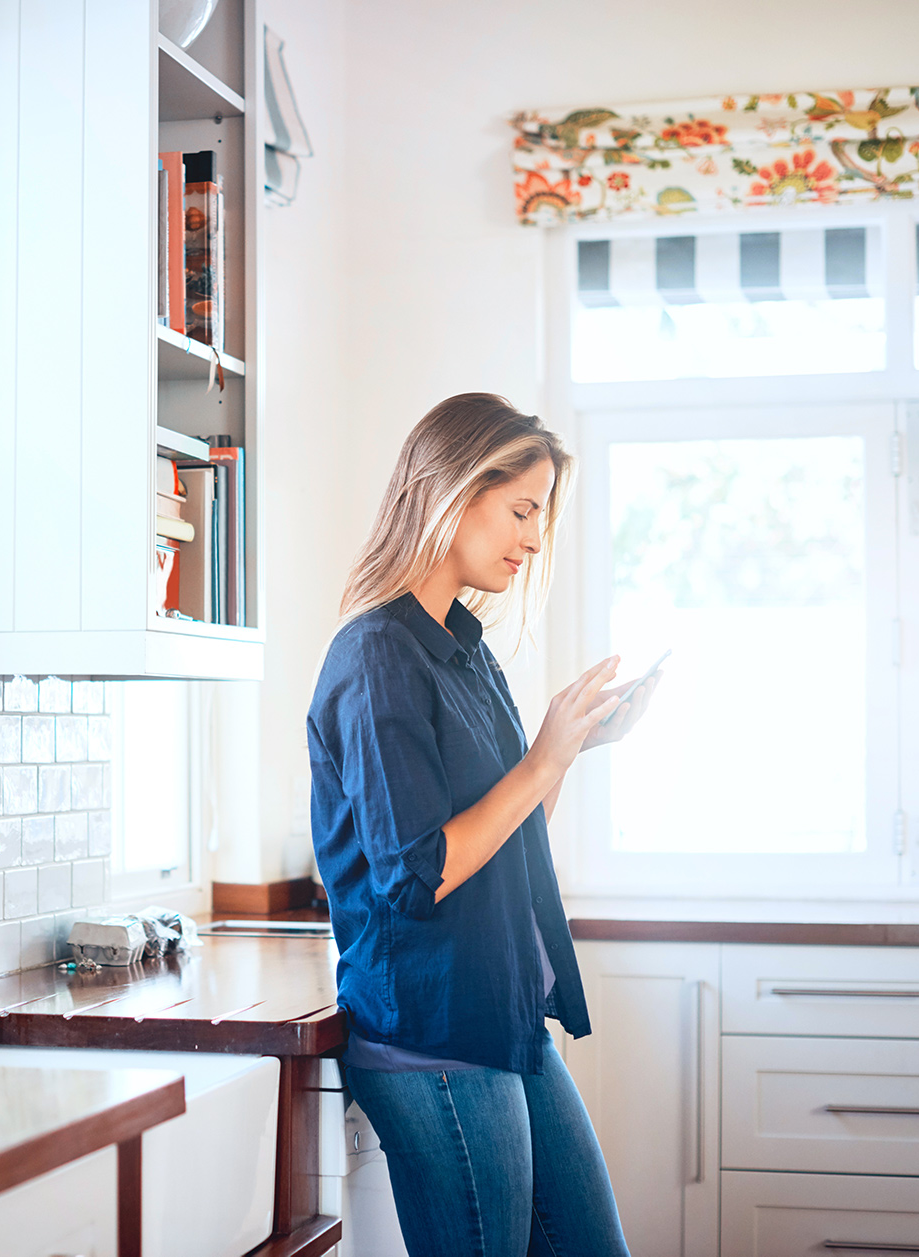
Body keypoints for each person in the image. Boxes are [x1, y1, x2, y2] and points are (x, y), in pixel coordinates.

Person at [307, 393, 659, 1256]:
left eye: (539, 515)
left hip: (501, 1015)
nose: (534, 538)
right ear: (452, 492)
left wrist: (565, 751)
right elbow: (419, 870)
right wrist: (540, 757)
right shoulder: (376, 655)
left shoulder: (461, 645)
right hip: (434, 1037)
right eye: (522, 510)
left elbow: (509, 837)